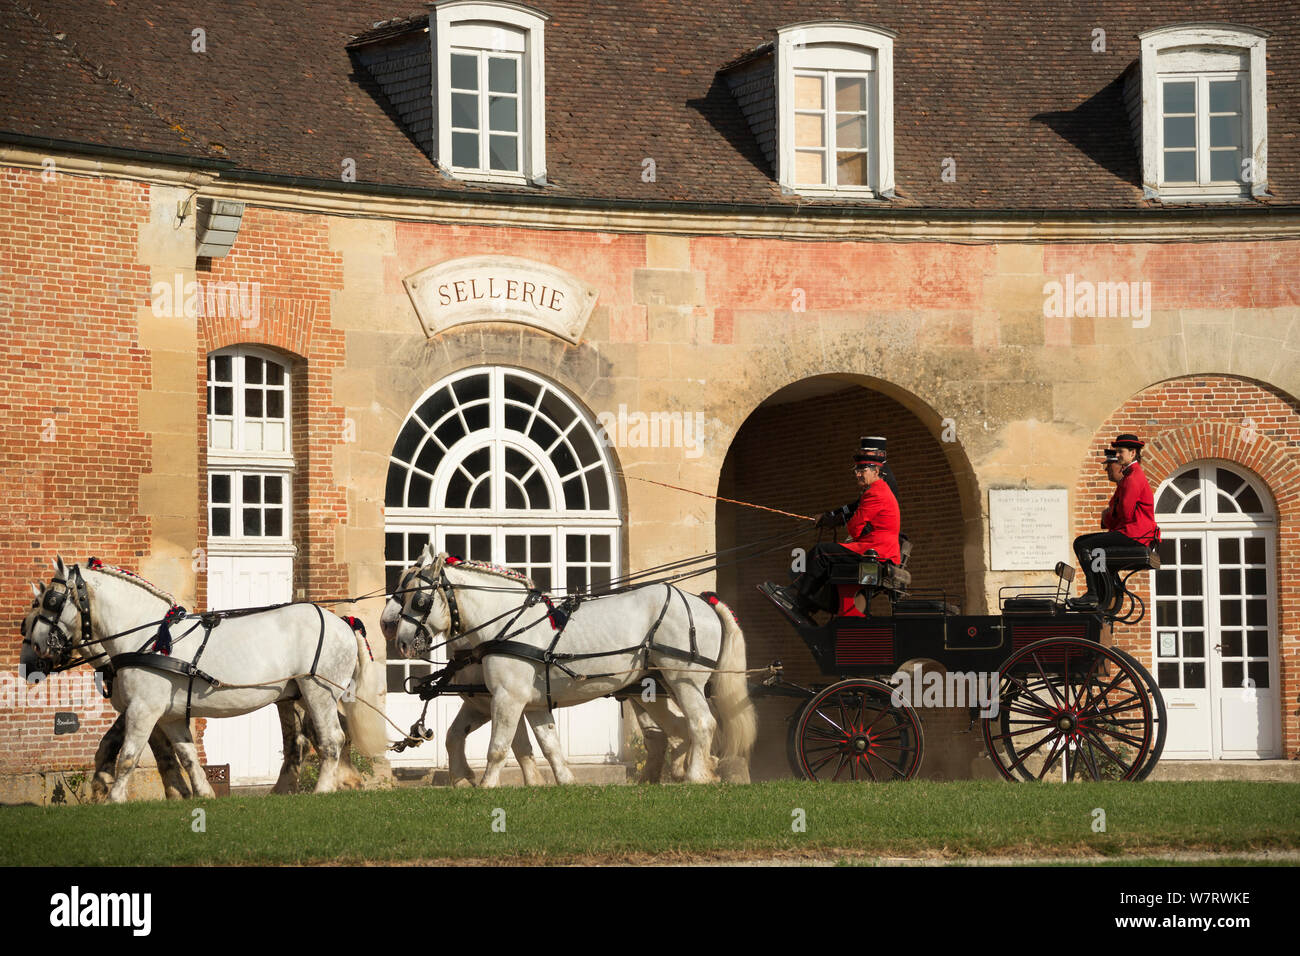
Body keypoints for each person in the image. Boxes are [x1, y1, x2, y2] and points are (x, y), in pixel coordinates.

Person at [767, 437, 902, 616]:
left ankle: (795, 596)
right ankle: (809, 604)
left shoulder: (875, 492)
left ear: (876, 470)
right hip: (879, 548)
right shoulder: (878, 488)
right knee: (830, 557)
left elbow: (854, 528)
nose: (857, 473)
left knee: (821, 553)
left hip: (876, 550)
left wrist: (837, 520)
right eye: (857, 469)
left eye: (862, 469)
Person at [1068, 433, 1159, 610]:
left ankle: (1094, 594)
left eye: (1120, 452)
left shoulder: (1133, 478)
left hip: (1135, 534)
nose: (1117, 455)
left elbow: (1124, 513)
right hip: (1135, 533)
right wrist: (1109, 515)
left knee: (1083, 545)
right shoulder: (1130, 475)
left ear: (1132, 453)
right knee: (1089, 545)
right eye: (1117, 452)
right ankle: (1102, 592)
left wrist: (1107, 516)